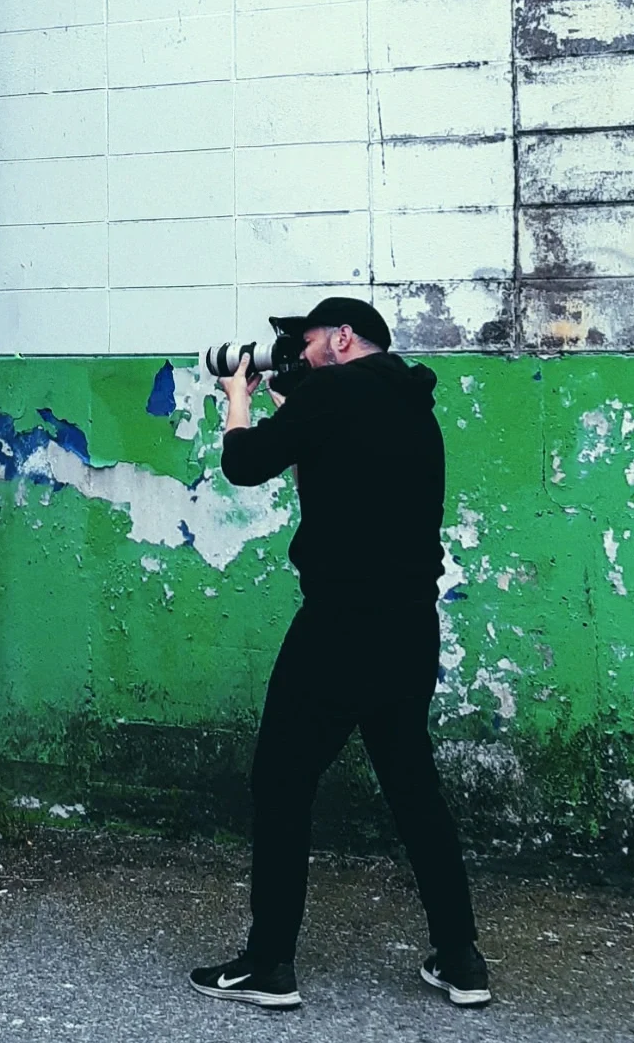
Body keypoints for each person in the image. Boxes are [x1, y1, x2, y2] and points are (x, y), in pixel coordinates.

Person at [188, 297, 491, 1009]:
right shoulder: (411, 401)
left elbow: (245, 463)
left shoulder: (334, 393)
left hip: (339, 623)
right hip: (410, 624)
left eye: (307, 339)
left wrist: (238, 397)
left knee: (280, 782)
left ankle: (267, 966)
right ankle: (460, 959)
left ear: (343, 337)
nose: (296, 351)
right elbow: (338, 475)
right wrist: (296, 398)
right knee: (412, 787)